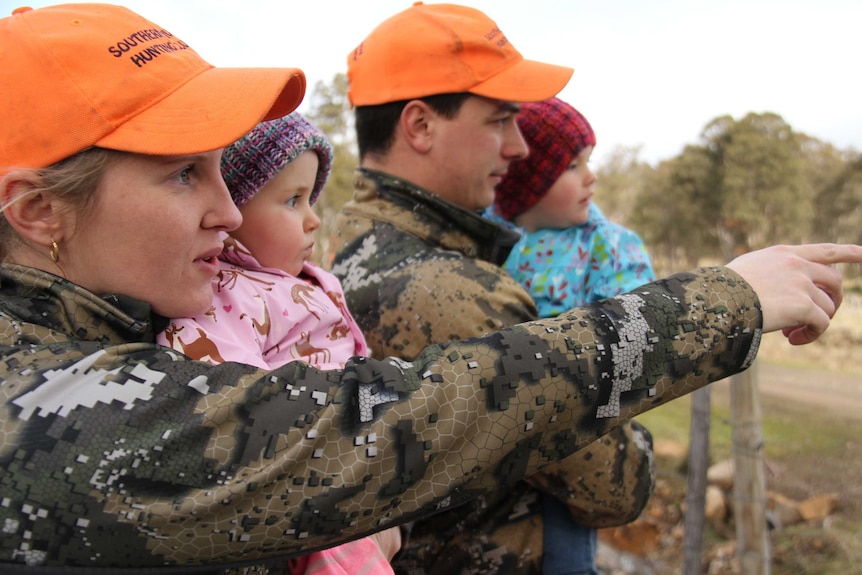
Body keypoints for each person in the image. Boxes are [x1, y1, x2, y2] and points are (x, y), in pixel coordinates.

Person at [0, 3, 859, 573]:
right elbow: (383, 419)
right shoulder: (47, 410)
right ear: (40, 211)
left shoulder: (139, 329)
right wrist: (722, 303)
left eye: (223, 171)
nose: (230, 212)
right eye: (183, 175)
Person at [328, 6, 656, 575]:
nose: (519, 148)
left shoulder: (359, 247)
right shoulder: (449, 290)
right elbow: (616, 485)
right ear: (421, 125)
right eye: (499, 121)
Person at [155, 113, 399, 575]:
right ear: (231, 214)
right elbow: (243, 402)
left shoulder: (311, 280)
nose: (312, 220)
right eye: (292, 200)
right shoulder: (222, 298)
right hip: (309, 479)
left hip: (356, 458)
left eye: (312, 199)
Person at [487, 97, 658, 575]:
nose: (591, 177)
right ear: (528, 182)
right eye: (572, 166)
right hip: (498, 428)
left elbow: (638, 327)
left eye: (589, 162)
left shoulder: (607, 246)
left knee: (566, 557)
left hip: (574, 433)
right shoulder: (486, 238)